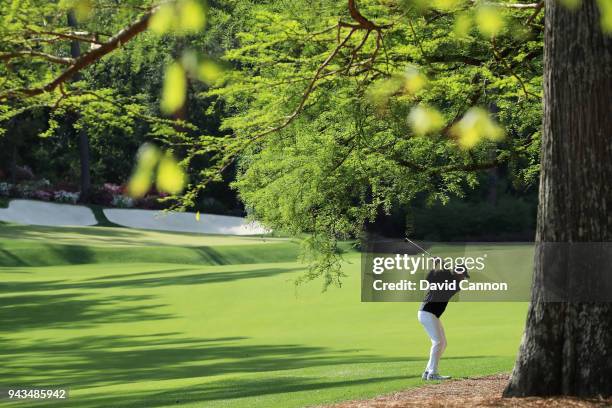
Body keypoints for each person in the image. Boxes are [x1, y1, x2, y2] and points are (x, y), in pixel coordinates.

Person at [418, 263, 468, 381]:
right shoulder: (445, 277)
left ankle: (428, 371)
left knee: (443, 343)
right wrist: (437, 265)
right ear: (458, 272)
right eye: (463, 275)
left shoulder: (455, 285)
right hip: (427, 312)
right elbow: (429, 278)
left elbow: (444, 279)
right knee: (438, 342)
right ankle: (433, 373)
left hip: (431, 314)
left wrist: (440, 265)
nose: (464, 278)